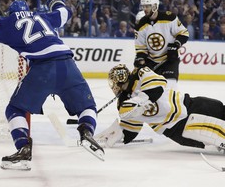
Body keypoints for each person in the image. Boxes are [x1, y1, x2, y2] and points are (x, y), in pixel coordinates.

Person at [0, 0, 104, 170]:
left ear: (11, 13)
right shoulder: (43, 17)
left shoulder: (6, 23)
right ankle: (86, 132)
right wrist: (56, 1)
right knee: (87, 106)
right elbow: (65, 12)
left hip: (42, 69)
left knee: (15, 109)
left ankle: (23, 149)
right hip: (68, 65)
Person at [95, 64, 225, 153]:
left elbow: (157, 88)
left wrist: (140, 101)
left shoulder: (141, 73)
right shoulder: (123, 104)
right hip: (177, 132)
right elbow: (132, 129)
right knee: (214, 139)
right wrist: (121, 134)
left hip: (190, 106)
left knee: (220, 110)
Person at [134, 0, 189, 89]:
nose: (145, 9)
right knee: (147, 89)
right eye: (144, 6)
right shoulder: (141, 25)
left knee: (170, 88)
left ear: (155, 6)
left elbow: (184, 33)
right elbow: (141, 48)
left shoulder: (169, 18)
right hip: (151, 61)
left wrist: (176, 45)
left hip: (170, 60)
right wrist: (141, 60)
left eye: (147, 6)